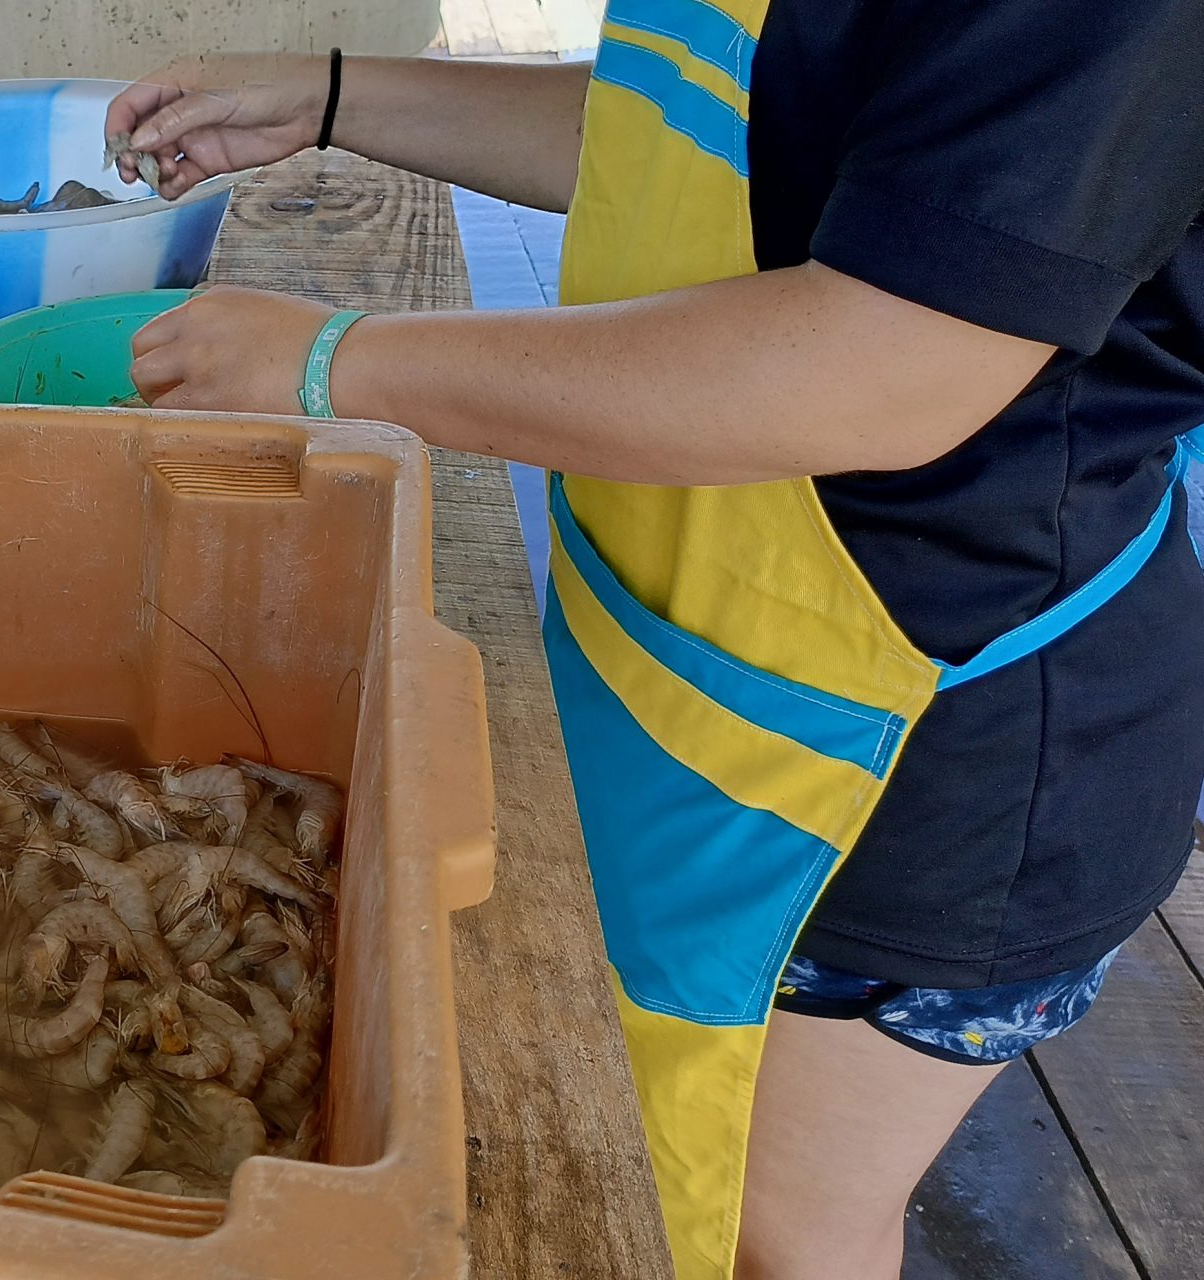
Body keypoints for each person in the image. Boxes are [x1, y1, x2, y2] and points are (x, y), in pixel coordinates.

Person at [106, 16, 1204, 1280]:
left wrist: (334, 360)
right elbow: (699, 124)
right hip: (687, 673)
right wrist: (337, 95)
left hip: (926, 768)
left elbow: (883, 359)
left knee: (766, 1227)